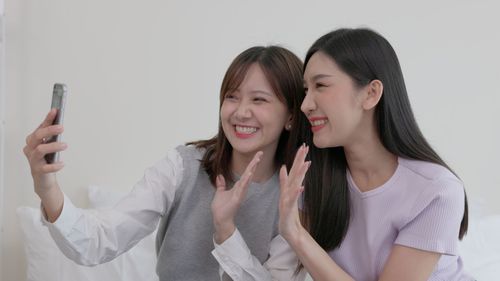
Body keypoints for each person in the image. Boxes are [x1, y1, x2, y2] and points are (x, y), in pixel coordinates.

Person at [23, 45, 309, 281]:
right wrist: (46, 186)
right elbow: (99, 240)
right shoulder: (183, 166)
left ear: (291, 116)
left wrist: (225, 229)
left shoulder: (296, 197)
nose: (241, 111)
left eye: (259, 100)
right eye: (232, 97)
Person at [278, 28, 473, 280]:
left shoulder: (436, 191)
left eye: (321, 85)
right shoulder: (311, 178)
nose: (306, 105)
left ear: (371, 94)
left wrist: (296, 235)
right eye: (306, 90)